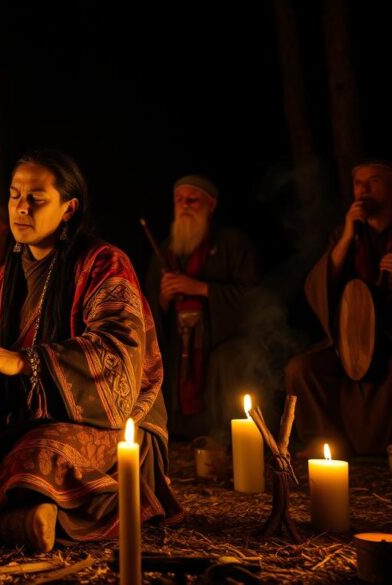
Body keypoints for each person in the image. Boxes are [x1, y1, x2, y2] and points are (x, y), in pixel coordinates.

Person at [0, 149, 182, 552]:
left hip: (116, 421)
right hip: (31, 419)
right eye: (15, 196)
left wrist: (22, 362)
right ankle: (14, 519)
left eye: (36, 198)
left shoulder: (104, 263)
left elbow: (119, 356)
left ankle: (3, 517)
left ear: (69, 209)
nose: (21, 208)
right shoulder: (6, 277)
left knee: (44, 455)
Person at [285, 159, 392, 457]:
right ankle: (325, 442)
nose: (364, 189)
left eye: (375, 181)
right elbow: (318, 287)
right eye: (359, 183)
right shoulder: (346, 235)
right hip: (349, 342)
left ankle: (378, 446)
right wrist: (346, 237)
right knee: (301, 369)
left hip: (388, 343)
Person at [142, 175, 260, 440]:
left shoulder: (233, 244)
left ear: (211, 205)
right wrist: (163, 298)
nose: (184, 206)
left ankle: (226, 437)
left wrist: (202, 289)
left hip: (223, 338)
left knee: (228, 361)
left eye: (192, 200)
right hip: (178, 339)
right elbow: (147, 307)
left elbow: (254, 298)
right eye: (179, 200)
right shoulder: (165, 251)